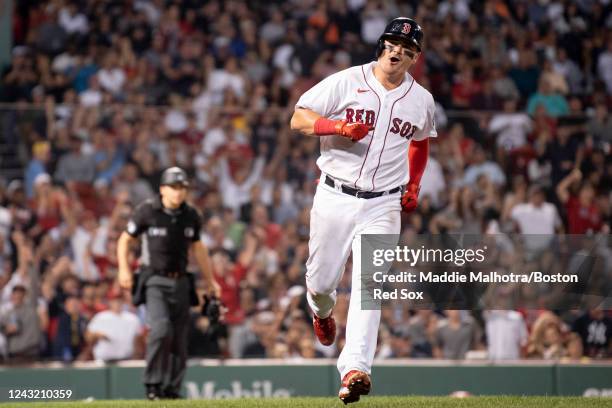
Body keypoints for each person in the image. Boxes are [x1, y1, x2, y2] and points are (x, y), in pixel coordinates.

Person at [290, 17, 435, 404]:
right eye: (392, 44)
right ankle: (321, 313)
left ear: (415, 58)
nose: (397, 52)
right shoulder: (347, 80)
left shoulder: (421, 100)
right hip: (335, 195)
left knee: (370, 287)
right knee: (321, 283)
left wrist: (414, 183)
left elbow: (420, 142)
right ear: (382, 46)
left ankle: (355, 369)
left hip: (385, 202)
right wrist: (335, 126)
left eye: (407, 49)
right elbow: (298, 117)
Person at [117, 167, 220, 400]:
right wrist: (123, 268)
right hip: (154, 279)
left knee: (180, 337)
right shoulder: (147, 211)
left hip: (181, 280)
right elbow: (125, 240)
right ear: (162, 189)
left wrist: (211, 280)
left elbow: (198, 247)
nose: (178, 192)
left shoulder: (191, 215)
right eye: (174, 187)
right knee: (161, 329)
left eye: (182, 187)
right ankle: (153, 385)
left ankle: (171, 389)